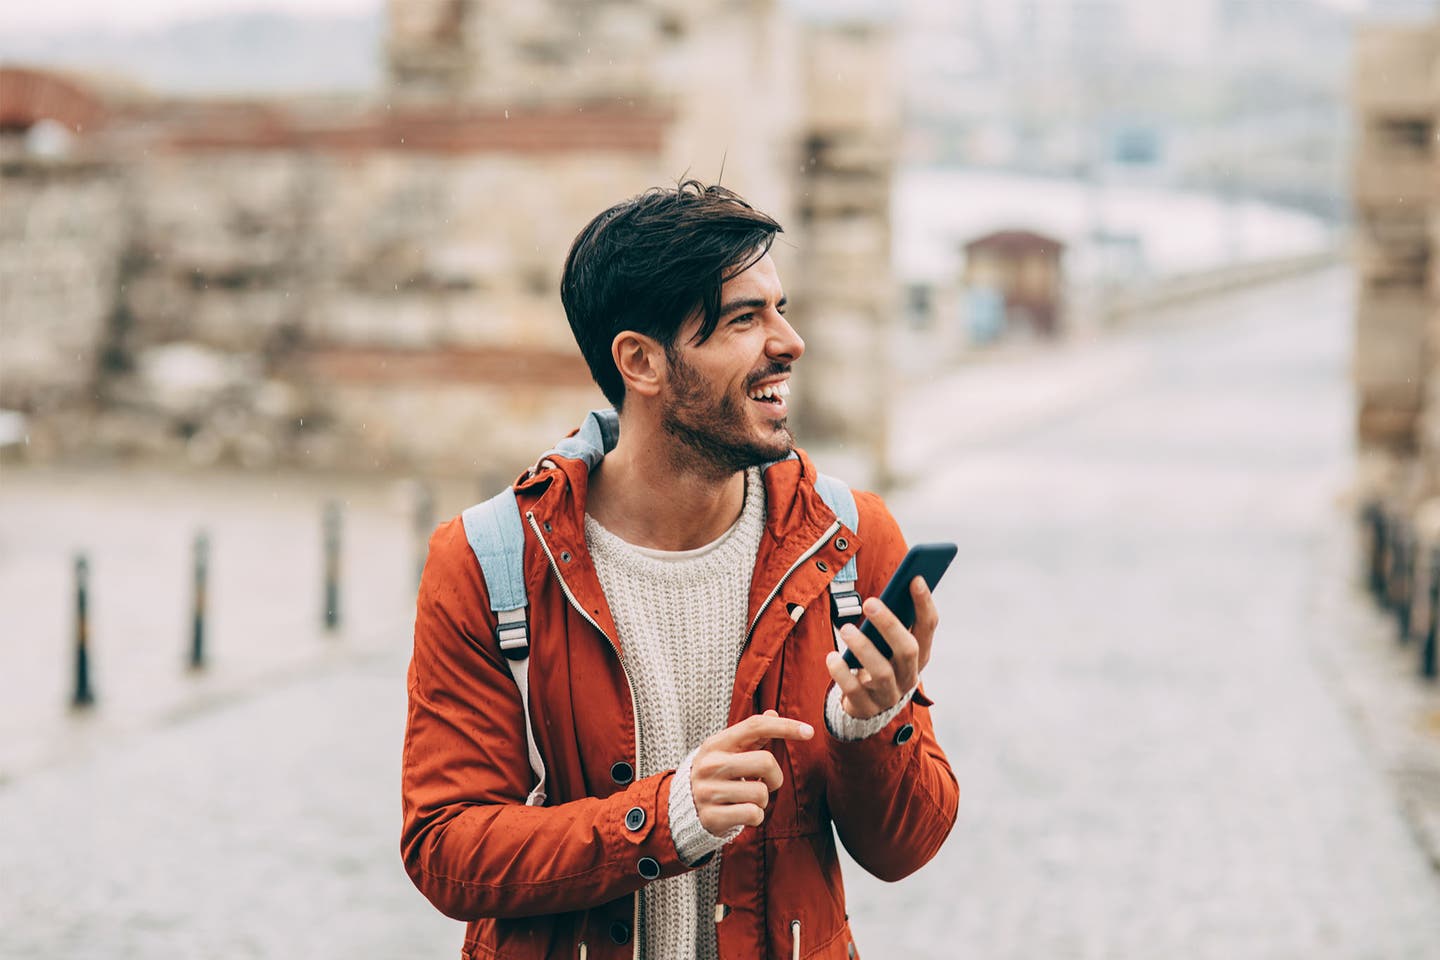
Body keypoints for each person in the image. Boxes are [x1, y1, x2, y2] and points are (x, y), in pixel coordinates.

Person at [401, 181, 958, 959]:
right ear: (641, 361)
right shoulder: (487, 561)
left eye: (781, 307)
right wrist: (660, 822)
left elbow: (908, 847)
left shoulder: (847, 539)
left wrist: (870, 723)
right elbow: (446, 850)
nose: (789, 340)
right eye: (744, 319)